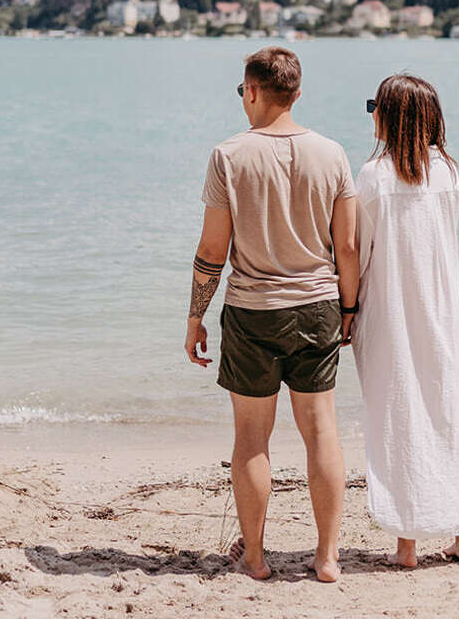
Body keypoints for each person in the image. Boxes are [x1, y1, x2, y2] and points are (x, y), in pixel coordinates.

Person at [184, 46, 359, 583]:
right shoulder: (332, 154)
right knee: (321, 432)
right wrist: (348, 308)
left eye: (242, 92)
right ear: (297, 94)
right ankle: (327, 557)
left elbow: (214, 250)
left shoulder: (229, 156)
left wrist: (195, 317)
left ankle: (256, 558)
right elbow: (347, 246)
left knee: (252, 439)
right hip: (317, 308)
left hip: (253, 313)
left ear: (253, 90)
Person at [350, 73, 459, 569]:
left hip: (390, 307)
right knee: (447, 413)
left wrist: (346, 311)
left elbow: (360, 251)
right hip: (443, 307)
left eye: (373, 106)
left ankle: (407, 546)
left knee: (396, 414)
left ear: (390, 115)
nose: (371, 114)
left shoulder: (374, 177)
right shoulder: (447, 172)